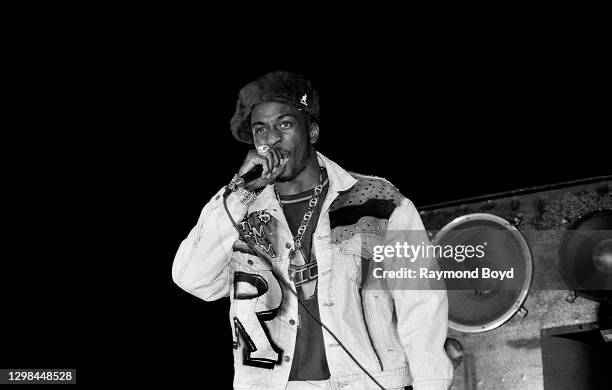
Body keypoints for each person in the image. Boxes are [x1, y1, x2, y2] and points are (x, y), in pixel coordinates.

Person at [172, 70, 453, 390]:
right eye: (260, 129)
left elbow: (421, 301)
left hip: (367, 382)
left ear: (313, 131)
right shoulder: (241, 210)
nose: (271, 139)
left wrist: (431, 382)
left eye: (285, 124)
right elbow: (192, 279)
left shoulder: (377, 201)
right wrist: (239, 193)